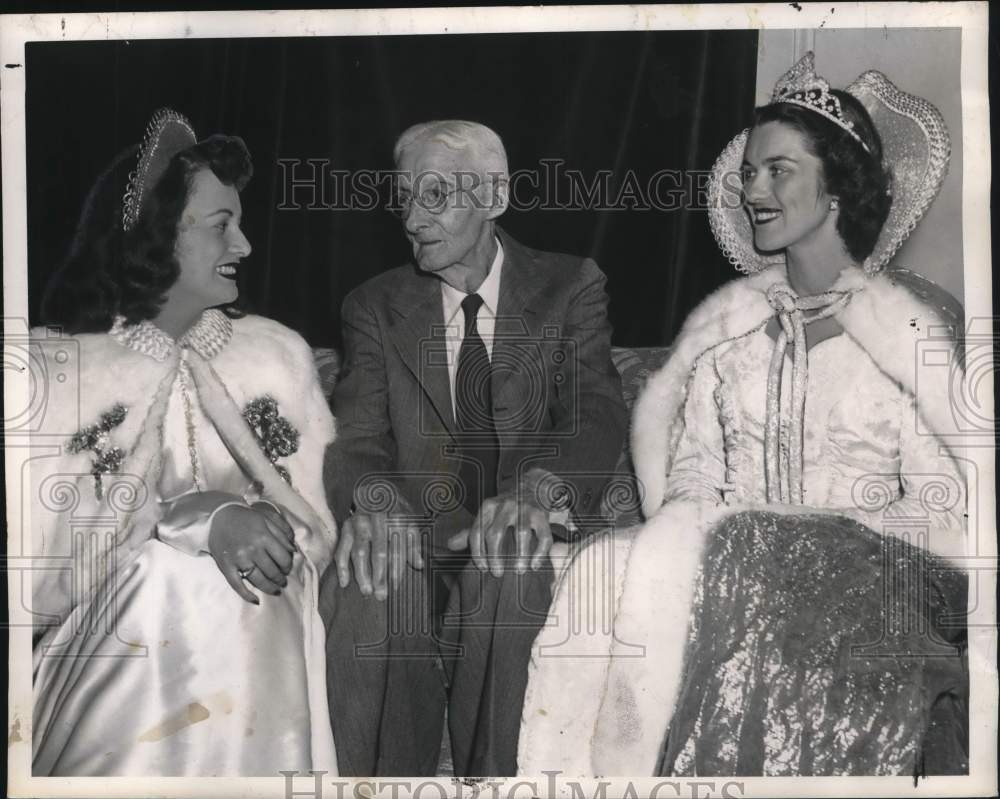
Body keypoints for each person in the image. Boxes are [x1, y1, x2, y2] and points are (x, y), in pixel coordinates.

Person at [520, 54, 968, 777]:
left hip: (877, 576)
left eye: (778, 170)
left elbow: (942, 507)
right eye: (749, 171)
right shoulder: (724, 333)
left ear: (835, 191)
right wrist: (709, 532)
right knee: (607, 564)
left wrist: (814, 546)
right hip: (735, 566)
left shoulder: (905, 333)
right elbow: (693, 473)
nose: (752, 187)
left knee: (753, 557)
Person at [30, 109, 338, 776]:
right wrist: (203, 519)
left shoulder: (275, 358)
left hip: (262, 637)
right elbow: (51, 572)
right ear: (157, 235)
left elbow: (312, 531)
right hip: (113, 639)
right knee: (167, 574)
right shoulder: (66, 372)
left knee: (253, 582)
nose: (247, 245)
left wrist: (252, 525)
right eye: (222, 225)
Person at [321, 120, 628, 776]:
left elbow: (595, 415)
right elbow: (357, 436)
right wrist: (376, 501)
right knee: (370, 580)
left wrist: (536, 492)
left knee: (509, 572)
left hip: (518, 532)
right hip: (416, 535)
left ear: (493, 197)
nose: (411, 218)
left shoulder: (570, 286)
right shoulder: (373, 305)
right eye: (403, 198)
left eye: (434, 196)